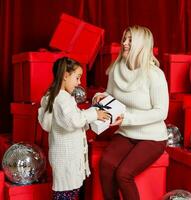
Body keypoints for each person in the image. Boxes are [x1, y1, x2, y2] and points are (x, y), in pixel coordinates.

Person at [93, 25, 169, 200]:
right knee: (105, 166)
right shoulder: (116, 69)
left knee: (123, 174)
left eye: (130, 40)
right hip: (126, 132)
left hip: (152, 137)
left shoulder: (155, 75)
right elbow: (111, 94)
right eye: (124, 39)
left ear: (142, 45)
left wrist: (127, 118)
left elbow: (161, 112)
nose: (125, 43)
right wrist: (101, 96)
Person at [38, 57, 111, 200]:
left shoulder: (57, 97)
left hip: (66, 160)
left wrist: (92, 120)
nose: (79, 83)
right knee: (66, 194)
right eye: (77, 78)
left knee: (67, 193)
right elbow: (73, 121)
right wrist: (94, 113)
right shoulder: (62, 99)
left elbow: (72, 120)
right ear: (65, 76)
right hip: (67, 161)